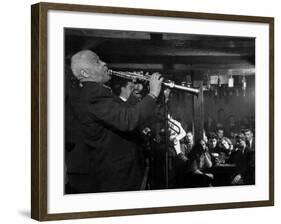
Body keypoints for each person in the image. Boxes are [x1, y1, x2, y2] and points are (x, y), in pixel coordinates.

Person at [66, 49, 163, 193]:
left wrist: (138, 94)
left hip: (118, 170)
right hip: (116, 173)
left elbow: (123, 113)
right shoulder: (94, 94)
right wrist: (153, 93)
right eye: (97, 61)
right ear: (85, 73)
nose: (104, 63)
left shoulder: (97, 92)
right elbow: (128, 120)